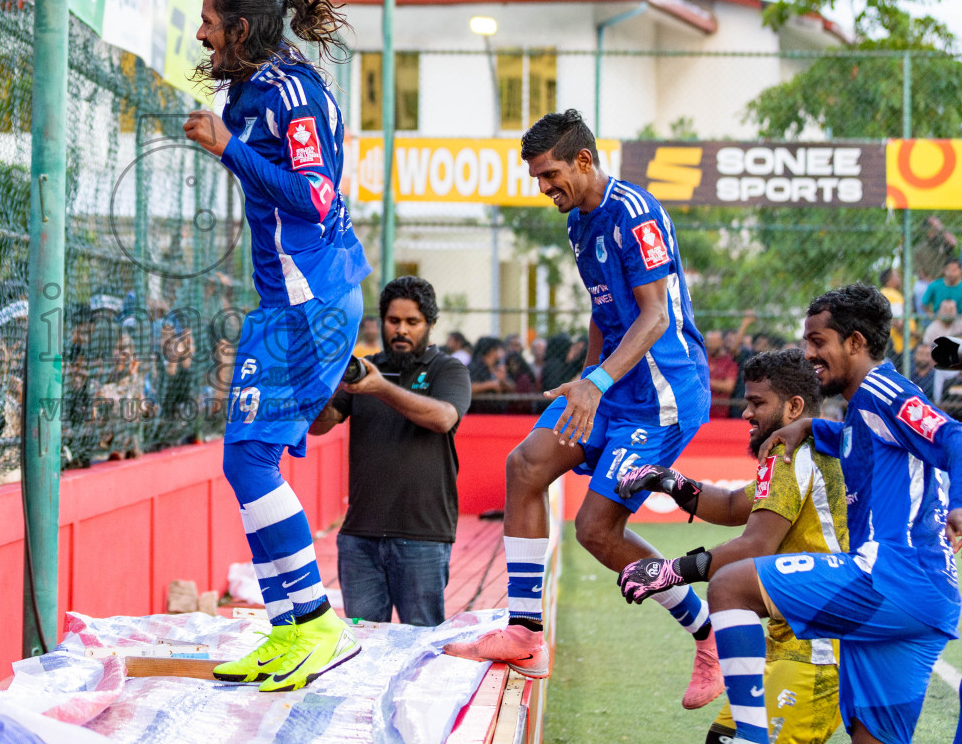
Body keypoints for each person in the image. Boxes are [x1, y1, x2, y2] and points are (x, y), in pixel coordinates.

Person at [443, 109, 718, 709]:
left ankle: (709, 635)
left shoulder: (635, 214)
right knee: (524, 467)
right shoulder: (579, 224)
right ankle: (525, 633)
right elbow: (603, 309)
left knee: (595, 530)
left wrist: (597, 383)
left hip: (663, 398)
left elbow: (654, 318)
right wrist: (587, 378)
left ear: (585, 161)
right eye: (538, 178)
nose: (543, 188)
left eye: (549, 175)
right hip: (615, 386)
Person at [178, 0, 370, 692]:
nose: (200, 32)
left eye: (211, 26)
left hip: (311, 303)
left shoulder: (287, 97)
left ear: (243, 35)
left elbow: (319, 201)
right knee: (248, 460)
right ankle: (295, 627)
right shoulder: (260, 68)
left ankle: (316, 625)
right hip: (294, 302)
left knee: (248, 460)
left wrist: (228, 151)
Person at [668, 285, 962, 744]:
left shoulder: (883, 390)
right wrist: (809, 428)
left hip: (893, 576)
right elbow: (865, 441)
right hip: (924, 598)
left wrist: (959, 505)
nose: (808, 353)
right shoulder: (861, 408)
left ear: (854, 342)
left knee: (730, 585)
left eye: (817, 341)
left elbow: (954, 437)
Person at [614, 349, 844, 744]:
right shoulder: (795, 450)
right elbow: (738, 504)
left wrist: (669, 571)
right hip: (794, 637)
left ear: (794, 407)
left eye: (758, 403)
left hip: (819, 646)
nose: (747, 413)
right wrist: (671, 481)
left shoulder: (793, 454)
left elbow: (754, 544)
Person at [309, 276, 470, 626]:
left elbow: (443, 418)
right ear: (381, 321)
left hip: (423, 534)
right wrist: (323, 381)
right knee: (363, 647)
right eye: (393, 321)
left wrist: (381, 388)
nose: (401, 330)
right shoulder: (362, 371)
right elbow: (319, 424)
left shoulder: (448, 369)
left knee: (421, 647)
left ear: (429, 325)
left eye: (412, 322)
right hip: (359, 536)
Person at [706, 329, 740, 418]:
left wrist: (704, 381)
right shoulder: (701, 359)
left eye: (714, 342)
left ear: (721, 342)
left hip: (720, 413)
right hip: (701, 411)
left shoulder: (729, 361)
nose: (711, 345)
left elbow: (728, 386)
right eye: (709, 342)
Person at [879, 268, 905, 358]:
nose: (900, 278)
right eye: (897, 276)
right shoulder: (891, 294)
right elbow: (898, 322)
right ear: (889, 280)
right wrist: (911, 333)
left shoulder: (883, 293)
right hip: (897, 344)